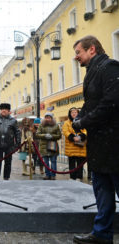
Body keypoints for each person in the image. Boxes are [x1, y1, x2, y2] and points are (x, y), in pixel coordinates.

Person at [71, 36, 119, 244]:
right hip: (100, 145)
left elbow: (111, 103)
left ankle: (102, 232)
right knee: (103, 192)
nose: (76, 57)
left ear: (92, 50)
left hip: (115, 143)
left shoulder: (110, 68)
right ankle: (102, 234)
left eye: (78, 52)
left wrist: (83, 121)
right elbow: (91, 103)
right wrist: (79, 118)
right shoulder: (92, 72)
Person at [0, 103, 21, 180]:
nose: (4, 111)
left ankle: (6, 177)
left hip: (9, 145)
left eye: (6, 109)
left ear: (9, 111)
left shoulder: (13, 120)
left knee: (8, 163)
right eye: (2, 109)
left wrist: (17, 144)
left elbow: (17, 132)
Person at [62, 107, 87, 181]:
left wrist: (80, 136)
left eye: (75, 112)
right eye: (72, 112)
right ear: (70, 114)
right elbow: (65, 131)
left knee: (80, 163)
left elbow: (85, 130)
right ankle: (72, 177)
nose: (73, 114)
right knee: (72, 163)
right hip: (71, 146)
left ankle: (79, 177)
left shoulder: (82, 121)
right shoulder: (66, 123)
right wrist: (72, 137)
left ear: (78, 113)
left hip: (80, 146)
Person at [35, 112, 61, 180]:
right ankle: (47, 174)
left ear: (52, 118)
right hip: (44, 146)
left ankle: (53, 175)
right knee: (45, 162)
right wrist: (44, 135)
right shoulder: (41, 125)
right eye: (46, 117)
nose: (47, 119)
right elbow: (37, 134)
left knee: (53, 161)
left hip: (53, 146)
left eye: (49, 117)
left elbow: (59, 135)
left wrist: (52, 136)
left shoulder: (56, 125)